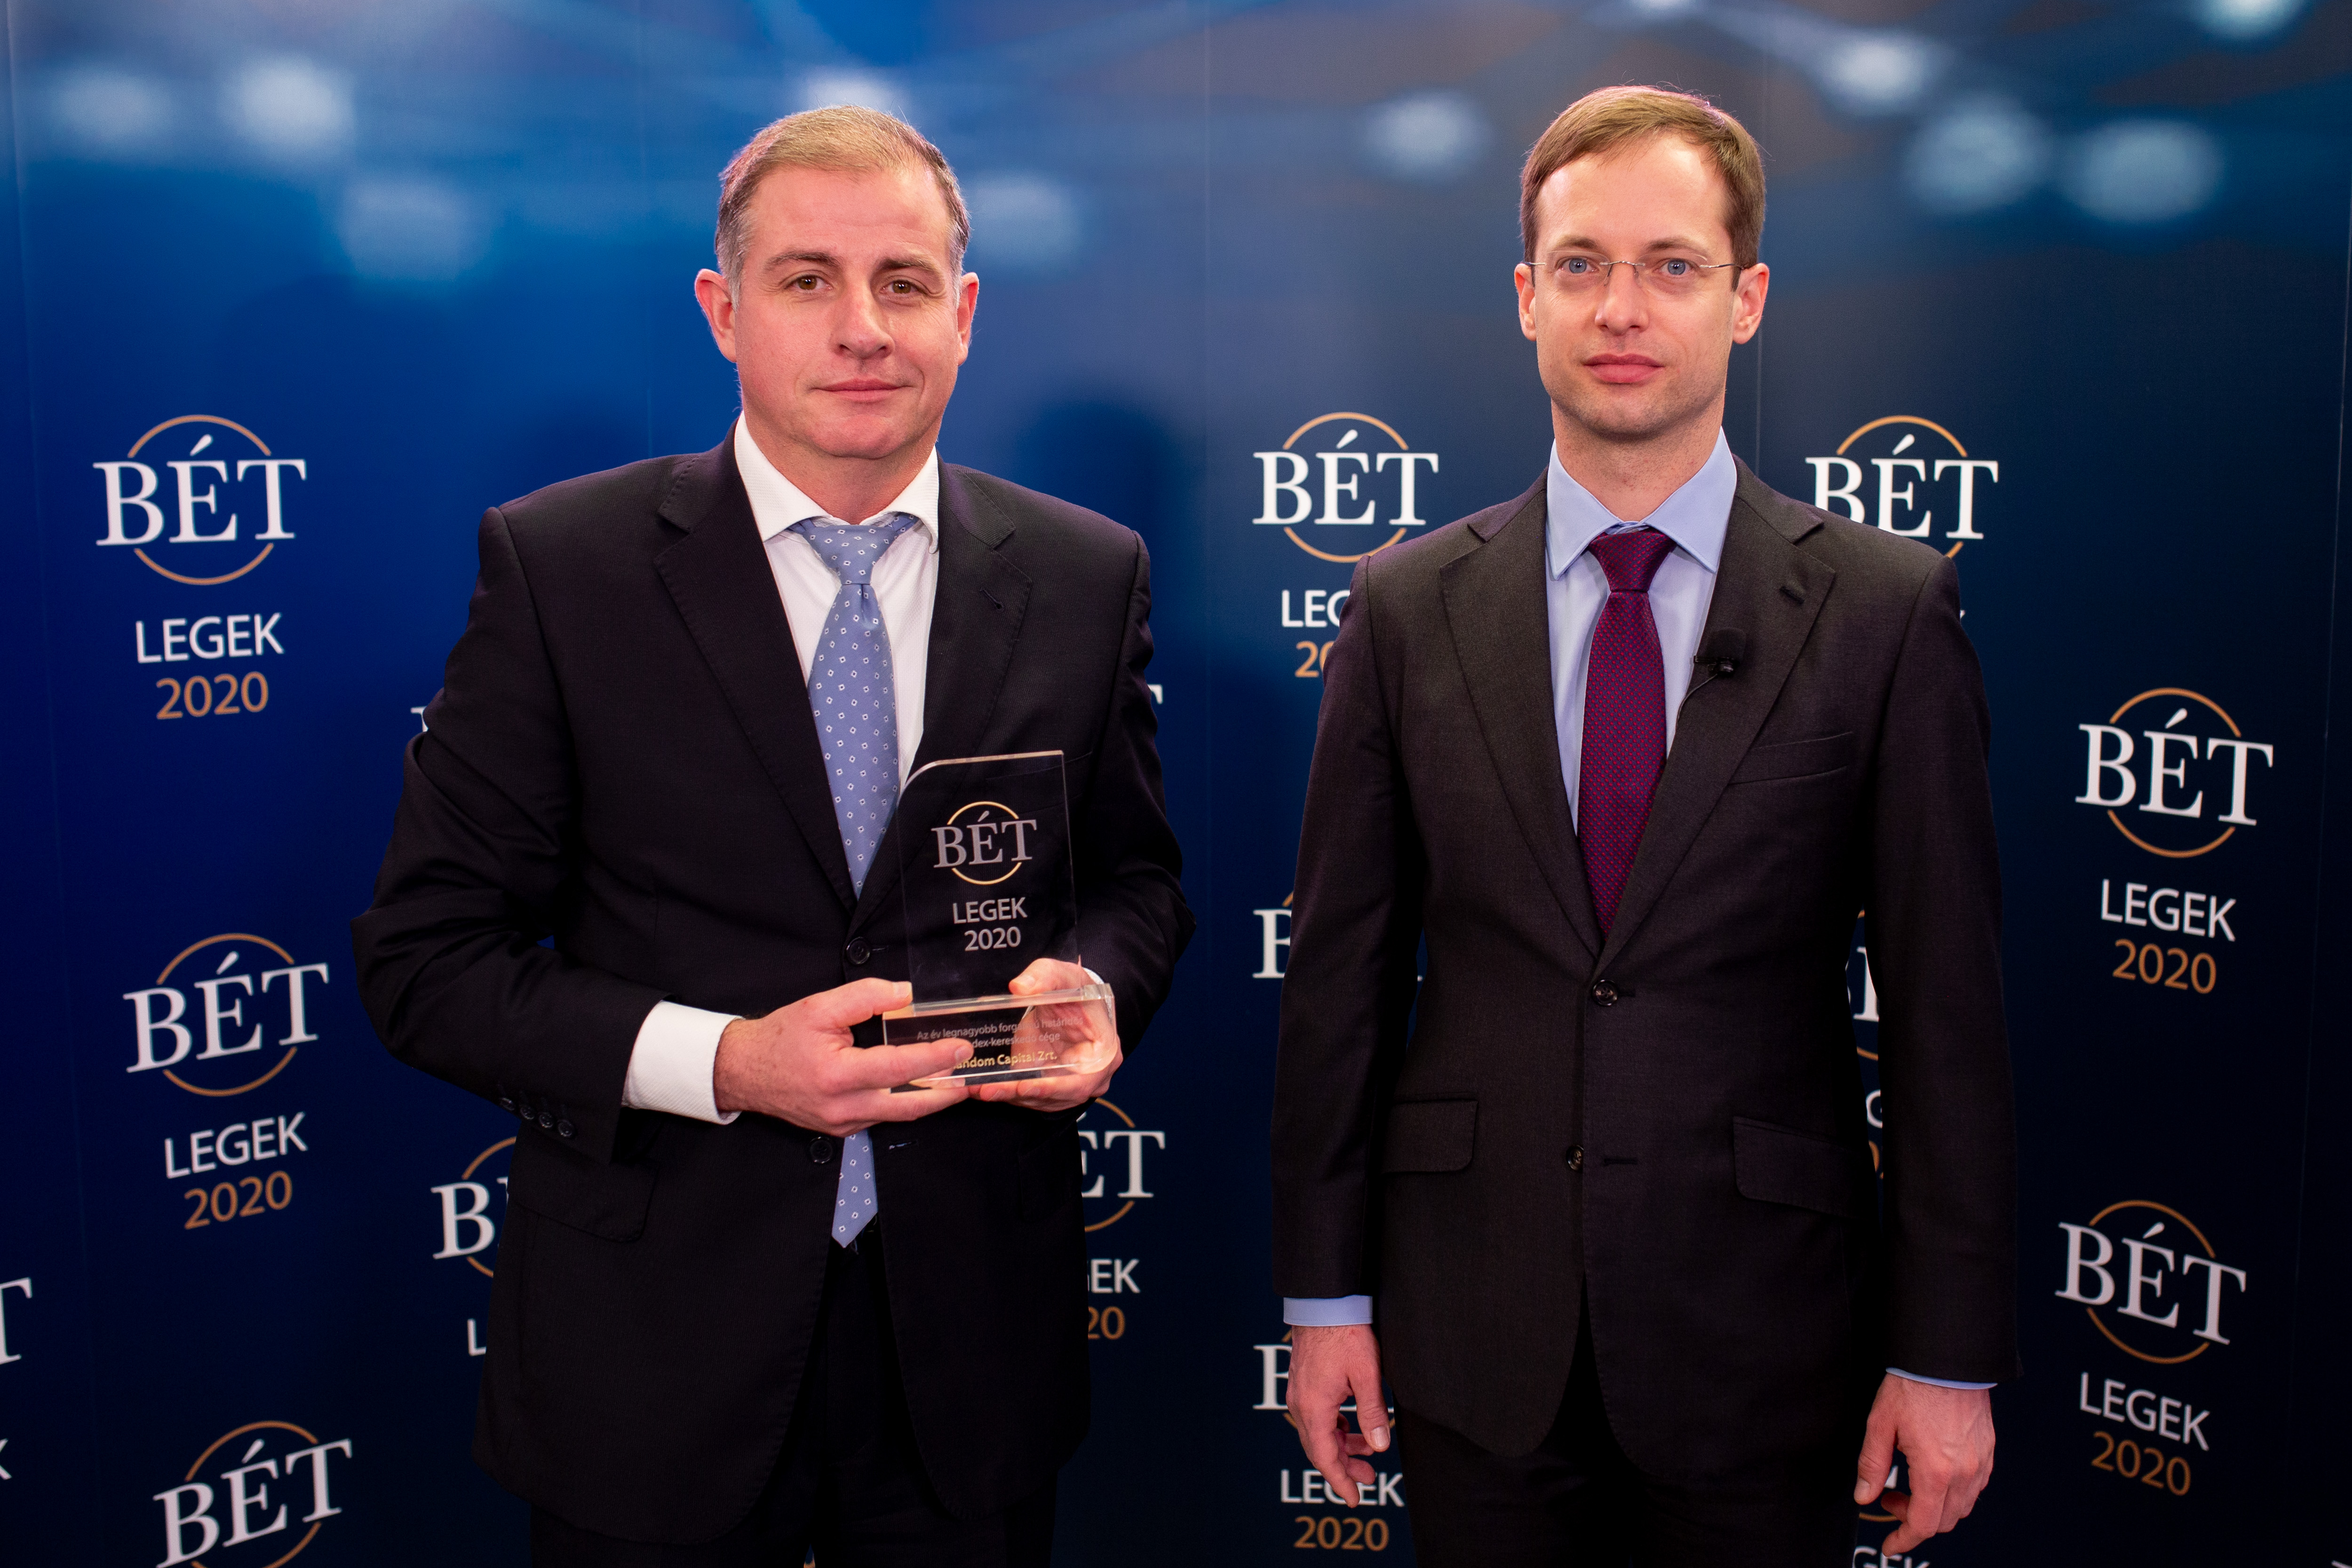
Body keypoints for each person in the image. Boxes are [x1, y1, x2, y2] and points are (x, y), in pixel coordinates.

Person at [353, 105, 1191, 1565]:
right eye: (808, 280)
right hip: (653, 1357)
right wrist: (731, 1063)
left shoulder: (1081, 573)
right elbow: (428, 964)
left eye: (903, 283)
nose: (863, 328)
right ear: (724, 310)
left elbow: (1136, 884)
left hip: (969, 1355)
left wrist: (1098, 989)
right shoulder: (563, 569)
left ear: (963, 314)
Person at [1270, 85, 2015, 1567]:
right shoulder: (1406, 608)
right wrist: (1325, 1301)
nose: (1622, 308)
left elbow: (1948, 1017)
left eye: (1672, 265)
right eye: (1583, 264)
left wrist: (1946, 1358)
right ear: (1527, 297)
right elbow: (1339, 985)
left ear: (1746, 300)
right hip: (1472, 1332)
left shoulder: (1883, 611)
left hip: (1765, 1338)